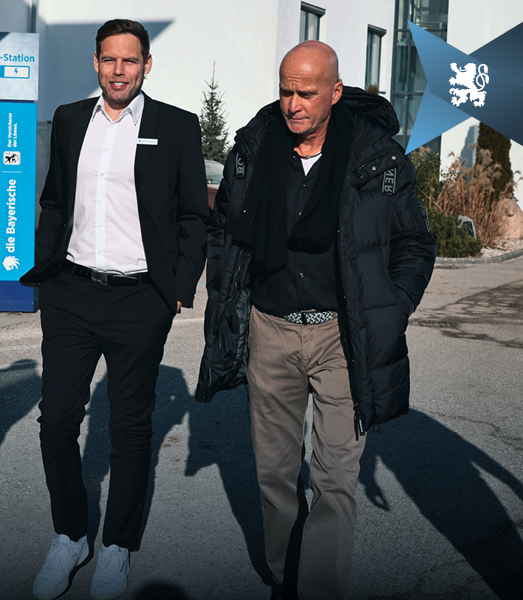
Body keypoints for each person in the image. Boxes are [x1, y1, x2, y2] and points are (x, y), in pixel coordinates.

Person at [196, 41, 436, 600]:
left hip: (341, 334)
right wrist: (221, 286)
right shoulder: (254, 147)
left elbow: (415, 244)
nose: (293, 103)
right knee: (276, 473)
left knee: (334, 478)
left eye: (307, 92)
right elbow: (224, 230)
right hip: (270, 327)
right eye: (285, 90)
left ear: (335, 90)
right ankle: (285, 576)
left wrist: (390, 310)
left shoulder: (377, 155)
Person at [19, 19, 209, 600]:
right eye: (109, 60)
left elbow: (193, 217)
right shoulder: (72, 119)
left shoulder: (176, 126)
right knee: (55, 421)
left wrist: (177, 287)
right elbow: (54, 199)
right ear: (96, 63)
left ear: (147, 65)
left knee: (128, 427)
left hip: (140, 299)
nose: (118, 70)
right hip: (71, 292)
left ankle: (118, 545)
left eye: (130, 61)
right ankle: (71, 534)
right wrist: (45, 266)